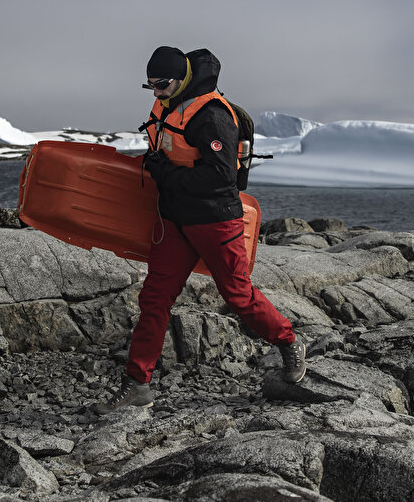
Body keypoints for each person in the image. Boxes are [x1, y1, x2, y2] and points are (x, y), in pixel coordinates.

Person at [93, 46, 307, 416]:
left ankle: (289, 342)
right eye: (151, 86)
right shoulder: (167, 105)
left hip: (214, 221)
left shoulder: (210, 116)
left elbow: (221, 176)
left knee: (237, 295)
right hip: (175, 220)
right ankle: (137, 385)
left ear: (181, 78)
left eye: (162, 84)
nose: (156, 92)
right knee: (155, 300)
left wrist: (167, 174)